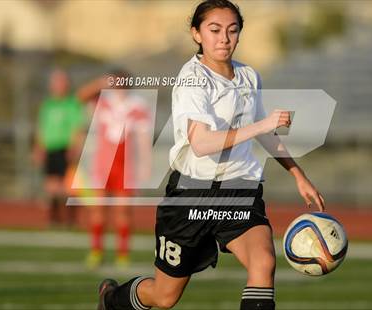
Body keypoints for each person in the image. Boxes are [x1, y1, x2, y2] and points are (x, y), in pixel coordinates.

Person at [96, 1, 325, 309]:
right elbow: (202, 143)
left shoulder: (248, 76)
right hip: (190, 196)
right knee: (165, 297)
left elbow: (263, 133)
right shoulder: (192, 78)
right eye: (214, 30)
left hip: (239, 191)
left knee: (263, 263)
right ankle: (112, 300)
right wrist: (260, 125)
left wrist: (299, 175)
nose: (224, 38)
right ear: (197, 33)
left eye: (232, 30)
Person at [84, 81, 153, 269]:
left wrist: (146, 163)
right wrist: (101, 81)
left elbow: (143, 138)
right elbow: (80, 97)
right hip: (102, 166)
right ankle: (96, 251)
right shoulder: (103, 102)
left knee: (123, 212)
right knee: (98, 211)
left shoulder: (137, 106)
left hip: (125, 167)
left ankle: (122, 254)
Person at [33, 69, 86, 226]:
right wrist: (38, 147)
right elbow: (41, 128)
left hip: (66, 148)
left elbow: (78, 127)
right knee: (51, 186)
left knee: (69, 186)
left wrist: (75, 147)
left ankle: (70, 220)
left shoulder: (72, 104)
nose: (58, 85)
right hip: (50, 148)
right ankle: (54, 219)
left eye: (61, 81)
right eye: (55, 81)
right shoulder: (47, 105)